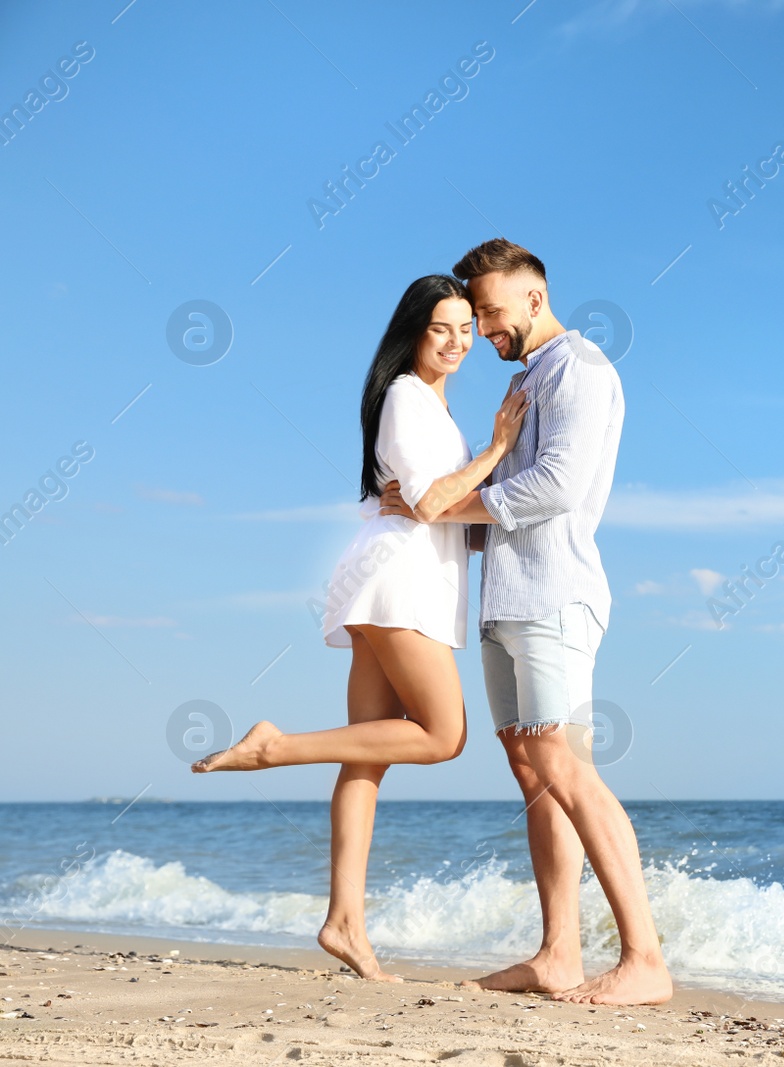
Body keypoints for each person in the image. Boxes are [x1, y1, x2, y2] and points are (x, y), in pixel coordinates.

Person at [192, 274, 530, 983]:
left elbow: (437, 508)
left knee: (367, 758)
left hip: (398, 577)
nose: (459, 342)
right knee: (444, 735)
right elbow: (436, 503)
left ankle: (344, 922)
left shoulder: (432, 408)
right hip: (398, 583)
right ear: (412, 330)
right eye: (443, 328)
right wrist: (498, 450)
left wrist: (471, 508)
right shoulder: (407, 399)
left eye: (468, 329)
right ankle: (272, 746)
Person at [378, 238, 672, 1006]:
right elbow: (493, 511)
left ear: (534, 298)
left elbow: (558, 486)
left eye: (492, 311)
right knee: (534, 773)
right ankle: (558, 954)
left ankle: (644, 957)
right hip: (505, 598)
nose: (484, 328)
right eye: (474, 313)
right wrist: (423, 509)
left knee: (565, 763)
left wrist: (444, 502)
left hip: (554, 595)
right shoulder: (529, 382)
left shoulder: (579, 369)